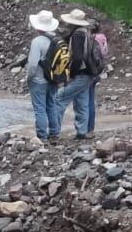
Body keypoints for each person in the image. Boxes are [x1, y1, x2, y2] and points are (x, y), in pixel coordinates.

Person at [53, 8, 95, 140]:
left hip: (80, 74)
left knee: (59, 98)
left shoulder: (77, 35)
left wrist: (71, 74)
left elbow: (77, 58)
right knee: (82, 102)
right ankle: (82, 132)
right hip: (89, 73)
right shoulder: (86, 32)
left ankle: (54, 132)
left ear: (72, 23)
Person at [25, 9, 61, 141]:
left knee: (40, 109)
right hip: (53, 79)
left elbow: (33, 64)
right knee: (51, 106)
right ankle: (54, 133)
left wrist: (29, 78)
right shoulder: (57, 40)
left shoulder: (37, 42)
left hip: (39, 80)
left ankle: (42, 136)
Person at [85, 21, 108, 136]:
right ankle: (91, 128)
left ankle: (87, 128)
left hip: (90, 72)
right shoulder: (103, 38)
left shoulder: (92, 39)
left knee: (86, 101)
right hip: (97, 72)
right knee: (91, 100)